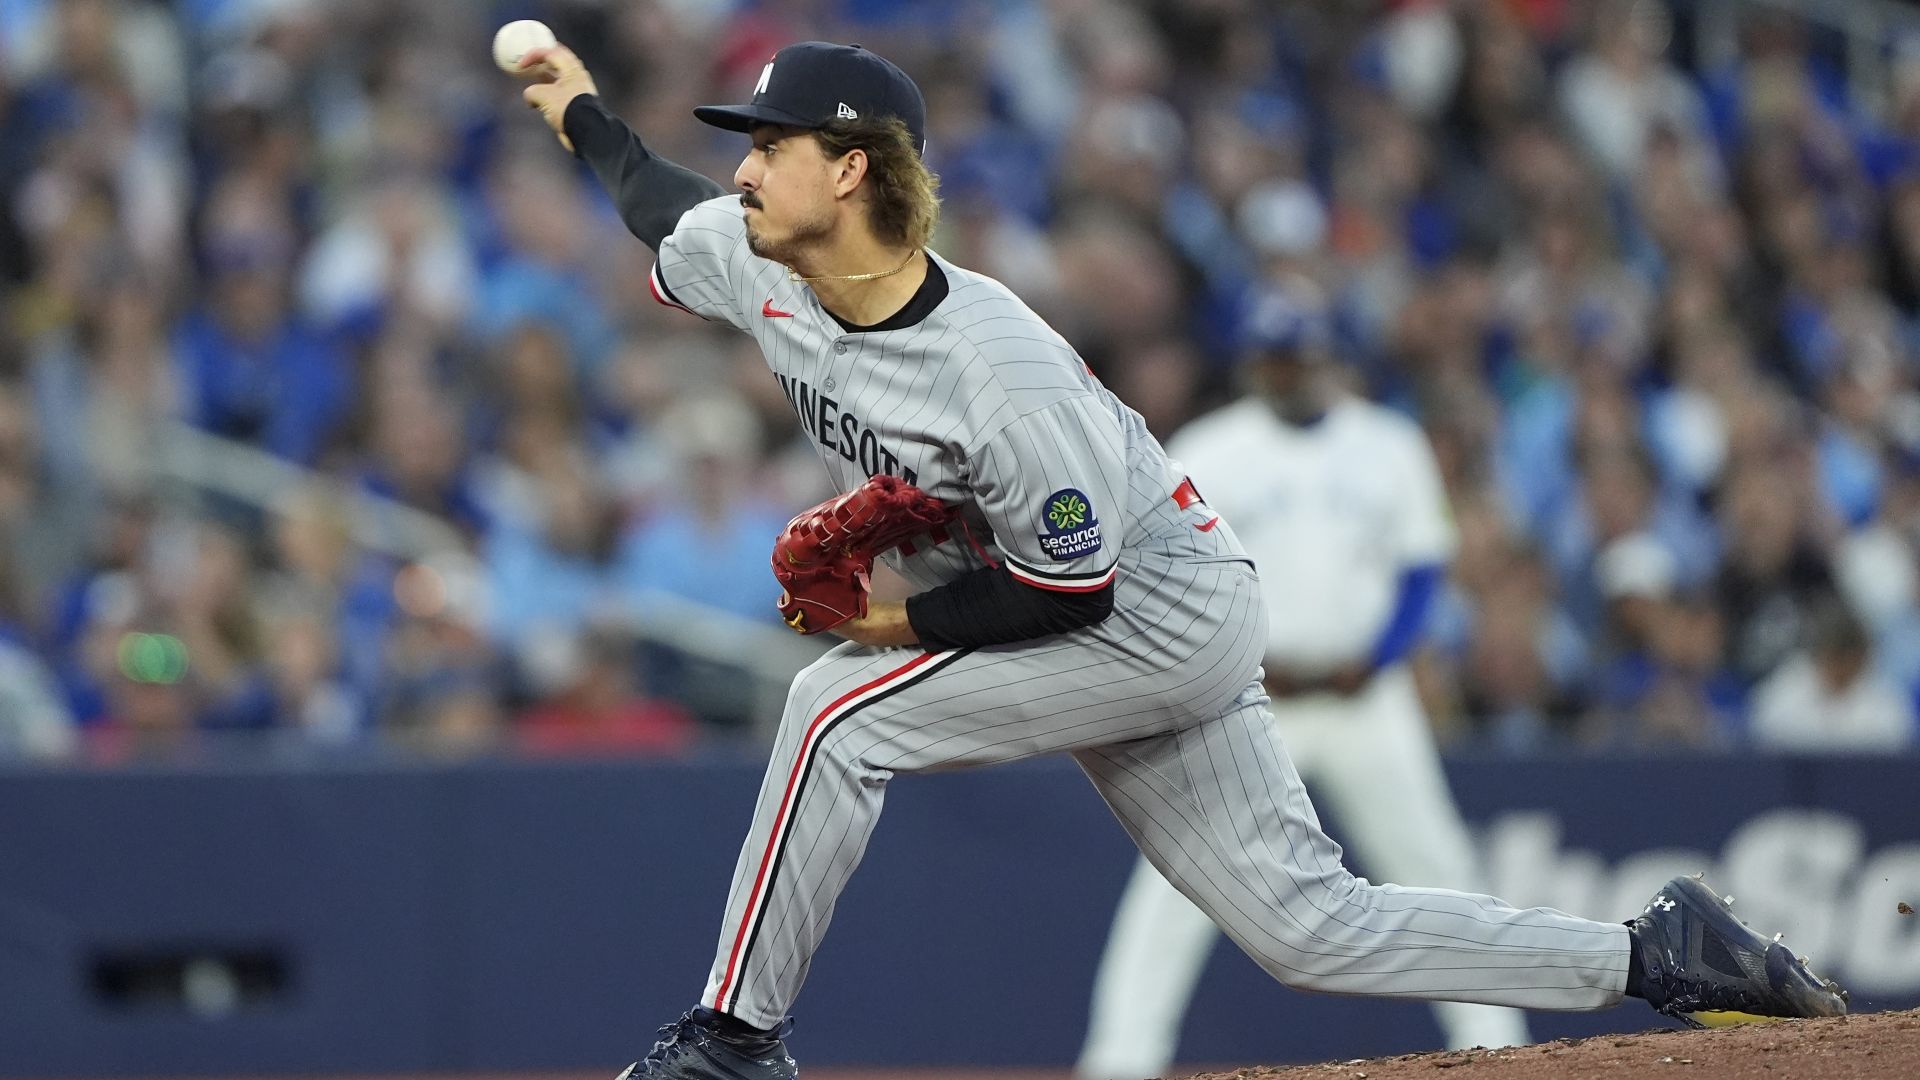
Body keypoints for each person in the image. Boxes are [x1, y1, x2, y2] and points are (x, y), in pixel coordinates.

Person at [512, 39, 1848, 1080]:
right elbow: (656, 204)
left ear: (852, 170)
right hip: (1112, 607)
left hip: (1149, 612)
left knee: (832, 712)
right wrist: (578, 107)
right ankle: (1661, 953)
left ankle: (735, 1040)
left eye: (770, 145)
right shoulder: (761, 262)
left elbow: (1067, 588)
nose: (744, 170)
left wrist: (890, 633)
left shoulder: (997, 370)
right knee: (1307, 927)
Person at [1076, 287, 1529, 1080]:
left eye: (1299, 357)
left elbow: (1422, 570)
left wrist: (1380, 656)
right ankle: (1121, 1061)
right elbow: (1165, 569)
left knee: (1437, 868)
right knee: (1179, 884)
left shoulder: (1388, 444)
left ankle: (1500, 1049)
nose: (1287, 372)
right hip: (1250, 700)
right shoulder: (1213, 448)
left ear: (1329, 358)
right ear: (1254, 364)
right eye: (1274, 359)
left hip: (1366, 699)